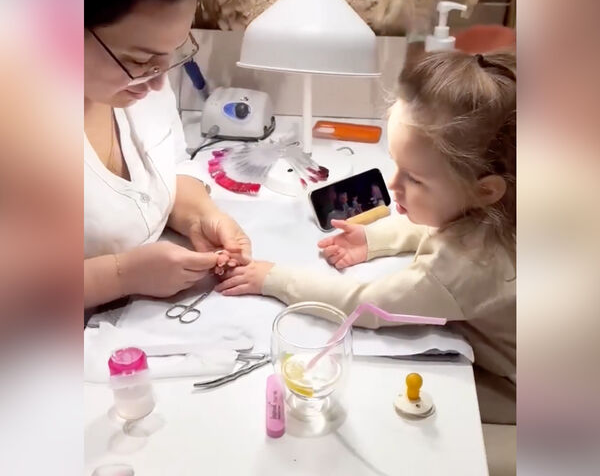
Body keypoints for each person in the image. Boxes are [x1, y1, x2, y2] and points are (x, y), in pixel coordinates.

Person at [215, 50, 516, 425]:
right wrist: (374, 240)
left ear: (485, 190)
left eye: (415, 179)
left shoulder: (466, 267)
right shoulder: (500, 205)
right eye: (397, 165)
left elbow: (368, 306)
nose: (393, 184)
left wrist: (273, 279)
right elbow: (438, 221)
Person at [84, 0, 251, 309]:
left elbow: (169, 166)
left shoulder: (138, 79)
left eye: (173, 52)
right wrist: (119, 275)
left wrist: (200, 216)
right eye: (139, 59)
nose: (158, 81)